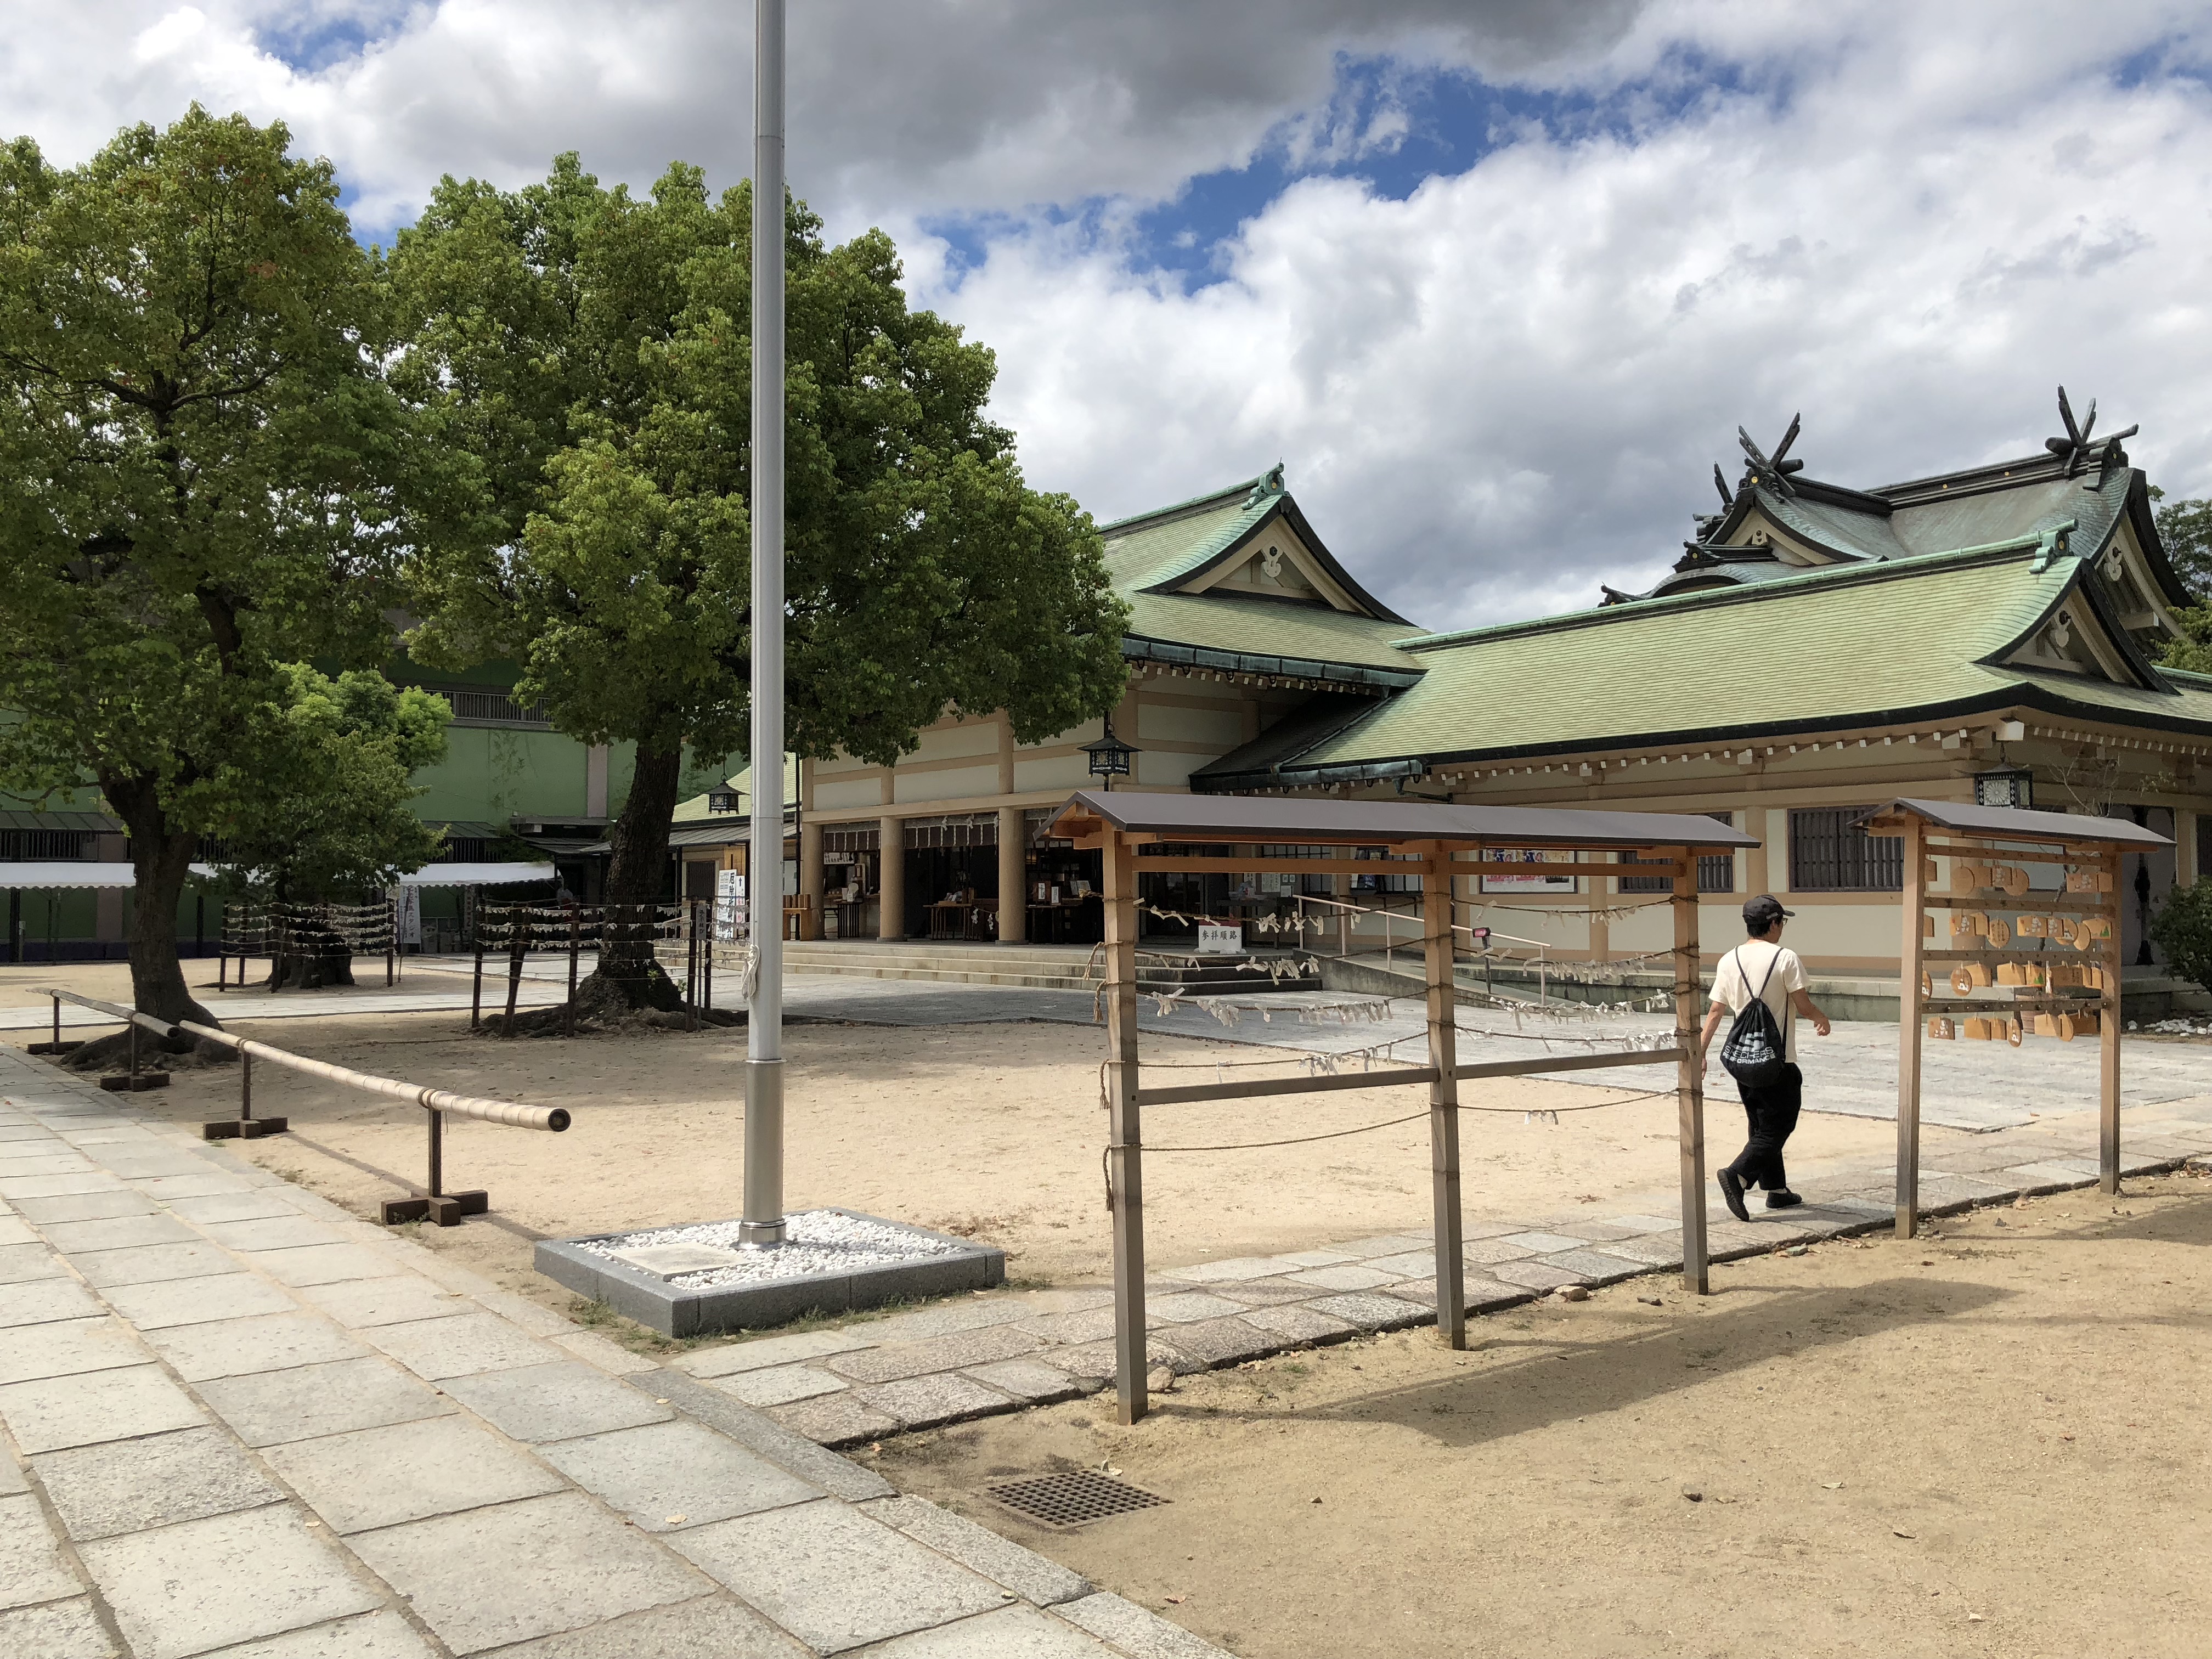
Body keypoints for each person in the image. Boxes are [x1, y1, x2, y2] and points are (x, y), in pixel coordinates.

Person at [1699, 894, 1832, 1220]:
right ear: (1772, 924)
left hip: (1743, 1058)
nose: (1782, 928)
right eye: (1782, 922)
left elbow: (1716, 1010)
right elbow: (1802, 1004)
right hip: (1777, 1060)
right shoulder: (1785, 958)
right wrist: (1821, 1017)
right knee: (1779, 1124)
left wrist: (1699, 1053)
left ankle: (1777, 1190)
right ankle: (1738, 1175)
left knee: (1761, 1123)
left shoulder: (1728, 960)